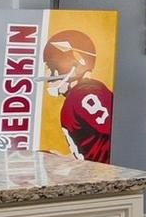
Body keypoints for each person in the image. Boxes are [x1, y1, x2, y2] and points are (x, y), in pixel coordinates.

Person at [42, 29, 113, 163]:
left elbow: (118, 133)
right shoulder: (76, 97)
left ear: (77, 64)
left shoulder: (83, 94)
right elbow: (92, 148)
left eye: (52, 66)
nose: (48, 75)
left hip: (106, 172)